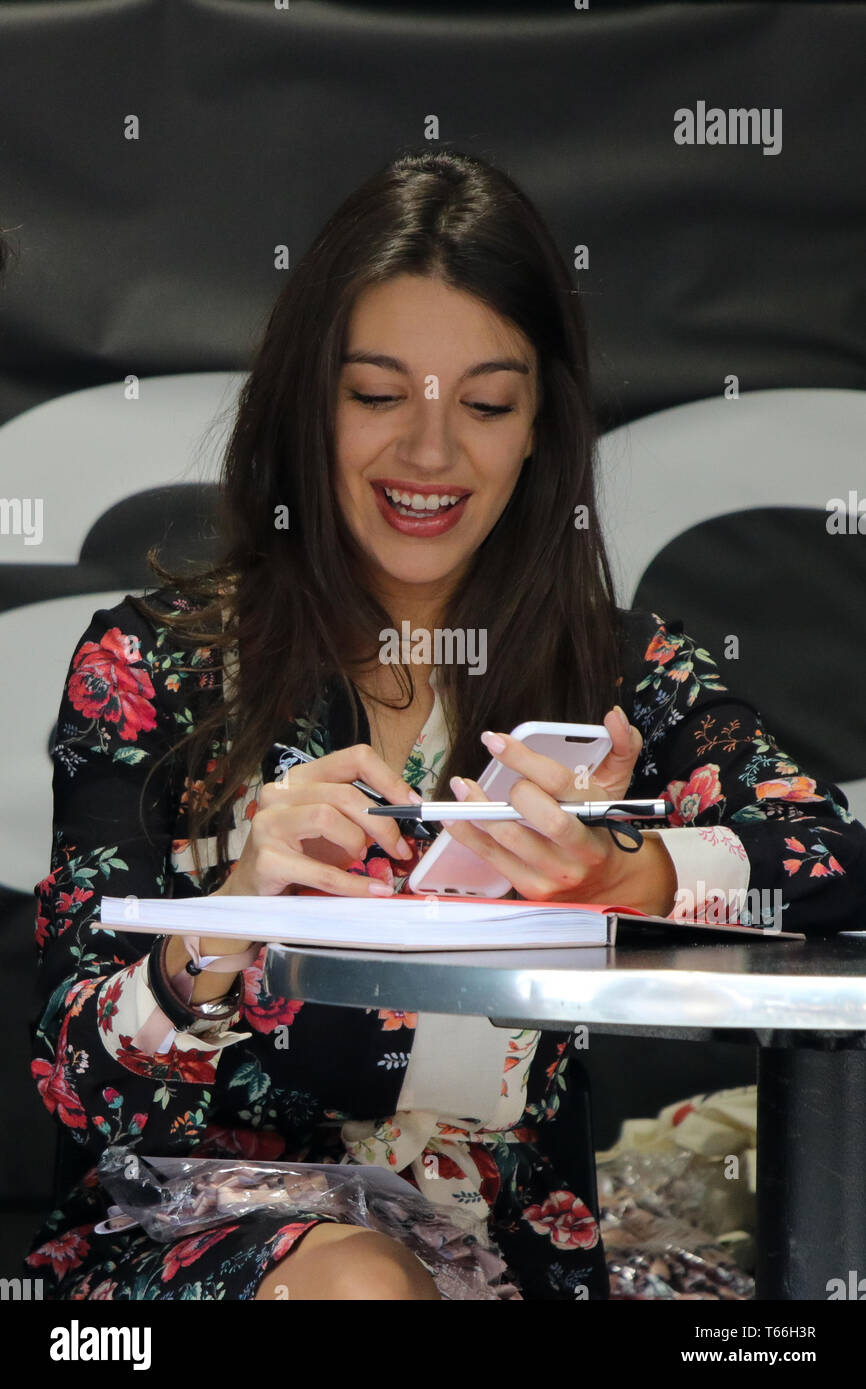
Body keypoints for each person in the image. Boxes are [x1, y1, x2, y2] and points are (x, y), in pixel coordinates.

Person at [26, 149, 866, 1301]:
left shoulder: (619, 670)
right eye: (376, 396)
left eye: (483, 404)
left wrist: (631, 873)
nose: (428, 453)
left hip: (503, 1259)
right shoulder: (153, 665)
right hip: (199, 1236)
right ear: (303, 403)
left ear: (538, 430)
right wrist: (221, 926)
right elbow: (73, 1083)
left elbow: (830, 866)